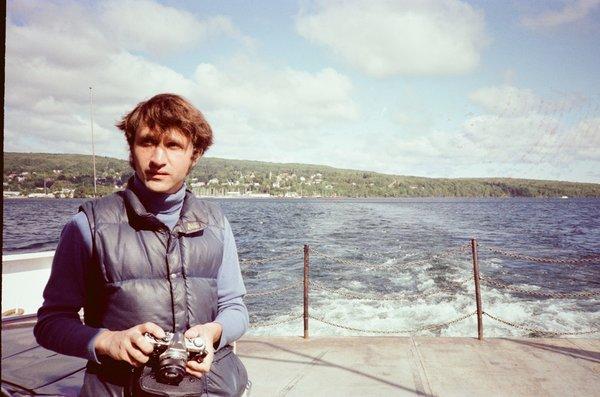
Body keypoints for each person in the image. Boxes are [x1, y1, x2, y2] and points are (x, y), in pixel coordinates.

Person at [34, 93, 249, 396]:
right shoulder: (88, 226)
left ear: (195, 154)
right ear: (131, 149)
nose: (158, 159)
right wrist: (107, 341)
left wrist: (214, 332)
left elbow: (235, 309)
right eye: (147, 142)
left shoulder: (217, 224)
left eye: (173, 145)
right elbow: (50, 323)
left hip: (211, 388)